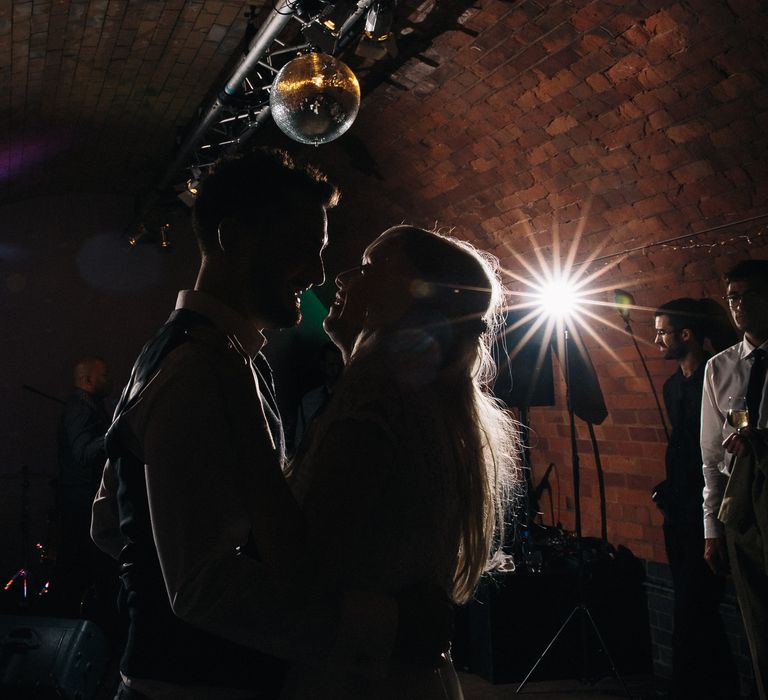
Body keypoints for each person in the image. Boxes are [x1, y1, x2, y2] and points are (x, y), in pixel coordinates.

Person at [91, 150, 450, 700]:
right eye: (303, 249)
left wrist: (152, 587)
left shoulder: (187, 352)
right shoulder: (200, 368)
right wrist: (385, 629)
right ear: (233, 237)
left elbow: (111, 524)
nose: (320, 275)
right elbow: (202, 586)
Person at [286, 225, 519, 699]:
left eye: (370, 268)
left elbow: (305, 560)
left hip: (358, 677)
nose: (345, 276)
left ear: (419, 300)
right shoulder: (431, 402)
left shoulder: (376, 407)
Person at [652, 299, 738, 700]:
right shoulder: (672, 387)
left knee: (693, 607)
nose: (657, 338)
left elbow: (713, 454)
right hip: (680, 511)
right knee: (694, 608)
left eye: (663, 331)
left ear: (685, 335)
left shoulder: (718, 376)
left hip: (708, 510)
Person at [701, 259, 768, 700]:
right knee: (759, 627)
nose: (739, 306)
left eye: (748, 296)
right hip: (739, 505)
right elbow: (709, 455)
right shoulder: (720, 367)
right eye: (732, 298)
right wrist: (712, 529)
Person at [55, 357, 115, 617]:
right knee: (82, 568)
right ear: (87, 380)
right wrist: (115, 434)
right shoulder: (81, 408)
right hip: (80, 504)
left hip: (82, 502)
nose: (108, 380)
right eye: (103, 375)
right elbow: (82, 454)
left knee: (82, 569)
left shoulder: (90, 405)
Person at [292, 342, 343, 449]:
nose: (336, 370)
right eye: (332, 364)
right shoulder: (308, 401)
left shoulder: (349, 399)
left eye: (340, 365)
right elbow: (299, 440)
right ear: (322, 365)